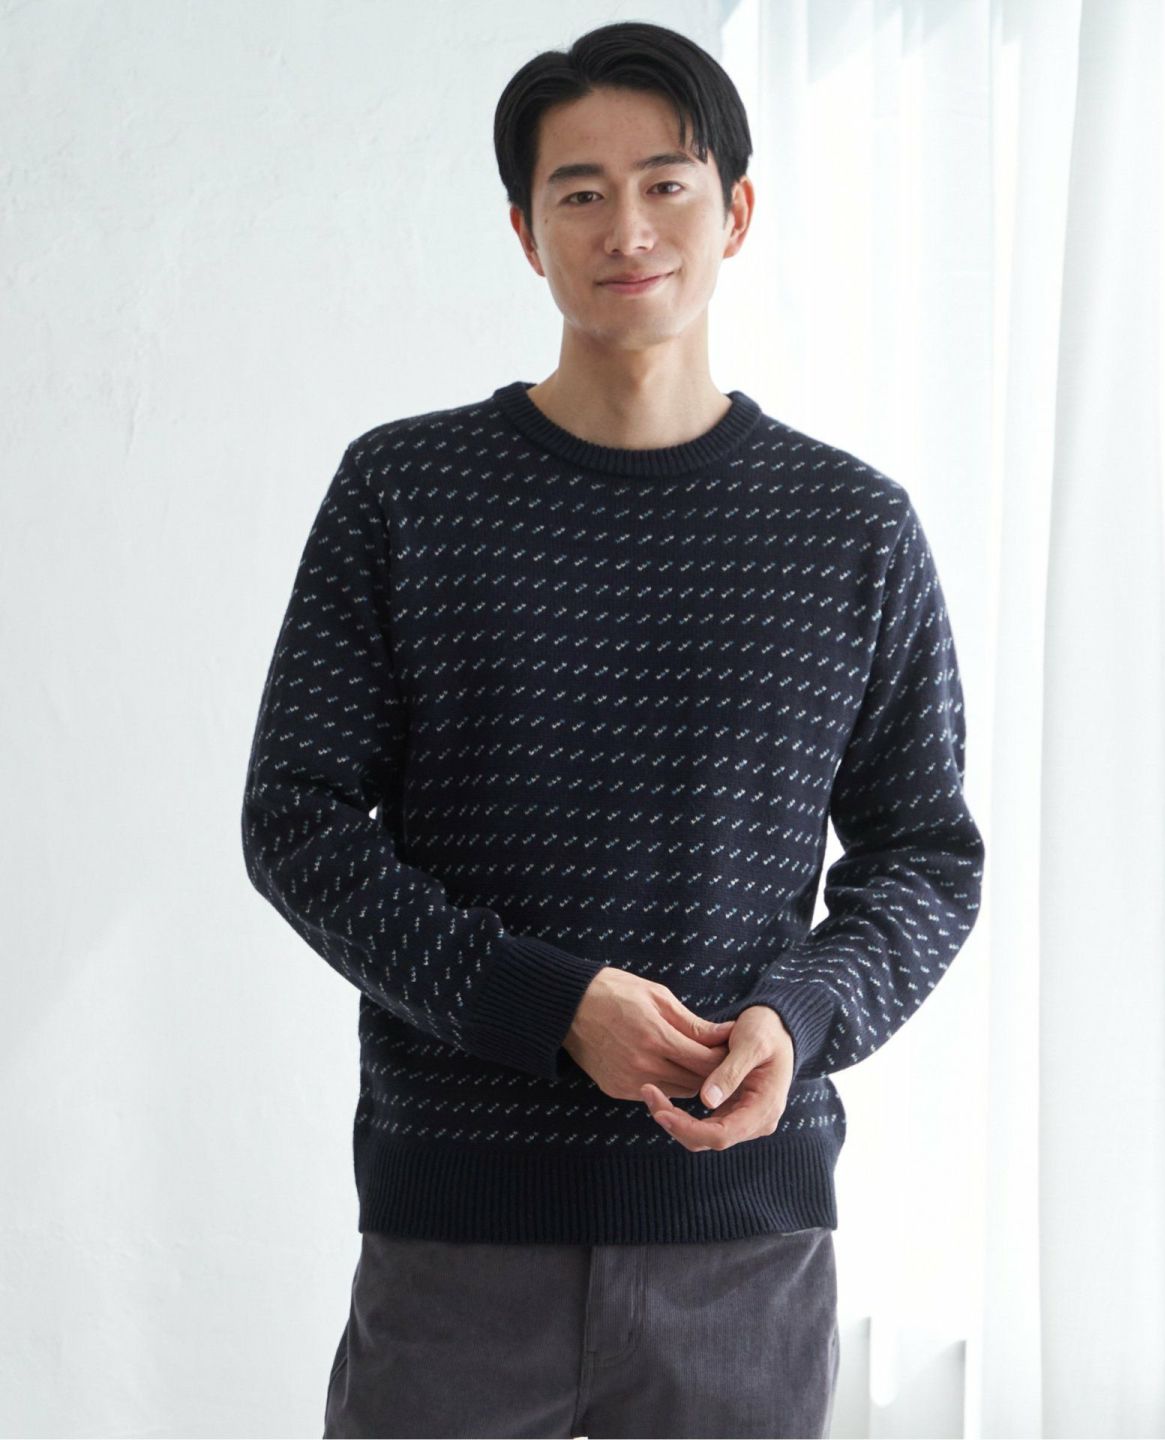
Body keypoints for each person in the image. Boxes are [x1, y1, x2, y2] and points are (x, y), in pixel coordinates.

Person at [240, 19, 985, 1440]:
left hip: (740, 1244)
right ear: (526, 231)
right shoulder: (405, 492)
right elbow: (296, 821)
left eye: (666, 184)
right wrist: (547, 1004)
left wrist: (803, 1015)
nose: (626, 228)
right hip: (457, 1236)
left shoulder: (853, 528)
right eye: (578, 192)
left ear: (735, 211)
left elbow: (926, 857)